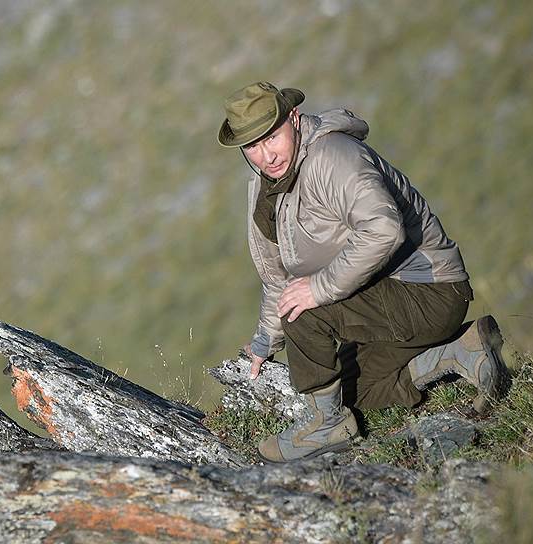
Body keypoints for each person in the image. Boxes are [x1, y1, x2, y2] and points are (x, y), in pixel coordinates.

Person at [217, 82, 509, 463]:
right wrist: (263, 344)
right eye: (252, 145)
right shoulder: (266, 188)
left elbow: (385, 229)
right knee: (350, 389)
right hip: (385, 299)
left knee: (305, 308)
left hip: (428, 290)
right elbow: (279, 277)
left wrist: (318, 290)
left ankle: (327, 427)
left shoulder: (332, 156)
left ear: (294, 119)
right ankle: (461, 353)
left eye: (271, 137)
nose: (265, 155)